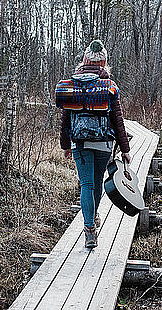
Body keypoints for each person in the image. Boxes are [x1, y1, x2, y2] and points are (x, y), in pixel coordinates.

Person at [60, 40, 131, 249]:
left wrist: (65, 145)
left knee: (86, 185)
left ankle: (89, 230)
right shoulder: (109, 86)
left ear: (84, 60)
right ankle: (94, 216)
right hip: (104, 143)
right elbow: (118, 120)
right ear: (105, 62)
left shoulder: (73, 84)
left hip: (80, 143)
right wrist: (125, 149)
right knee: (97, 183)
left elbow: (66, 119)